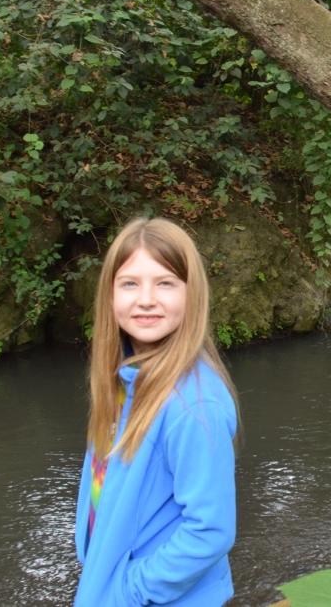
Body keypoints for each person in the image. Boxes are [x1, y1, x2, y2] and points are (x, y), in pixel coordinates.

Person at [74, 217, 240, 606]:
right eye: (130, 283)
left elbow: (210, 531)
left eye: (165, 283)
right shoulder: (127, 379)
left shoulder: (193, 405)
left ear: (191, 294)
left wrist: (128, 591)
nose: (146, 299)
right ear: (110, 294)